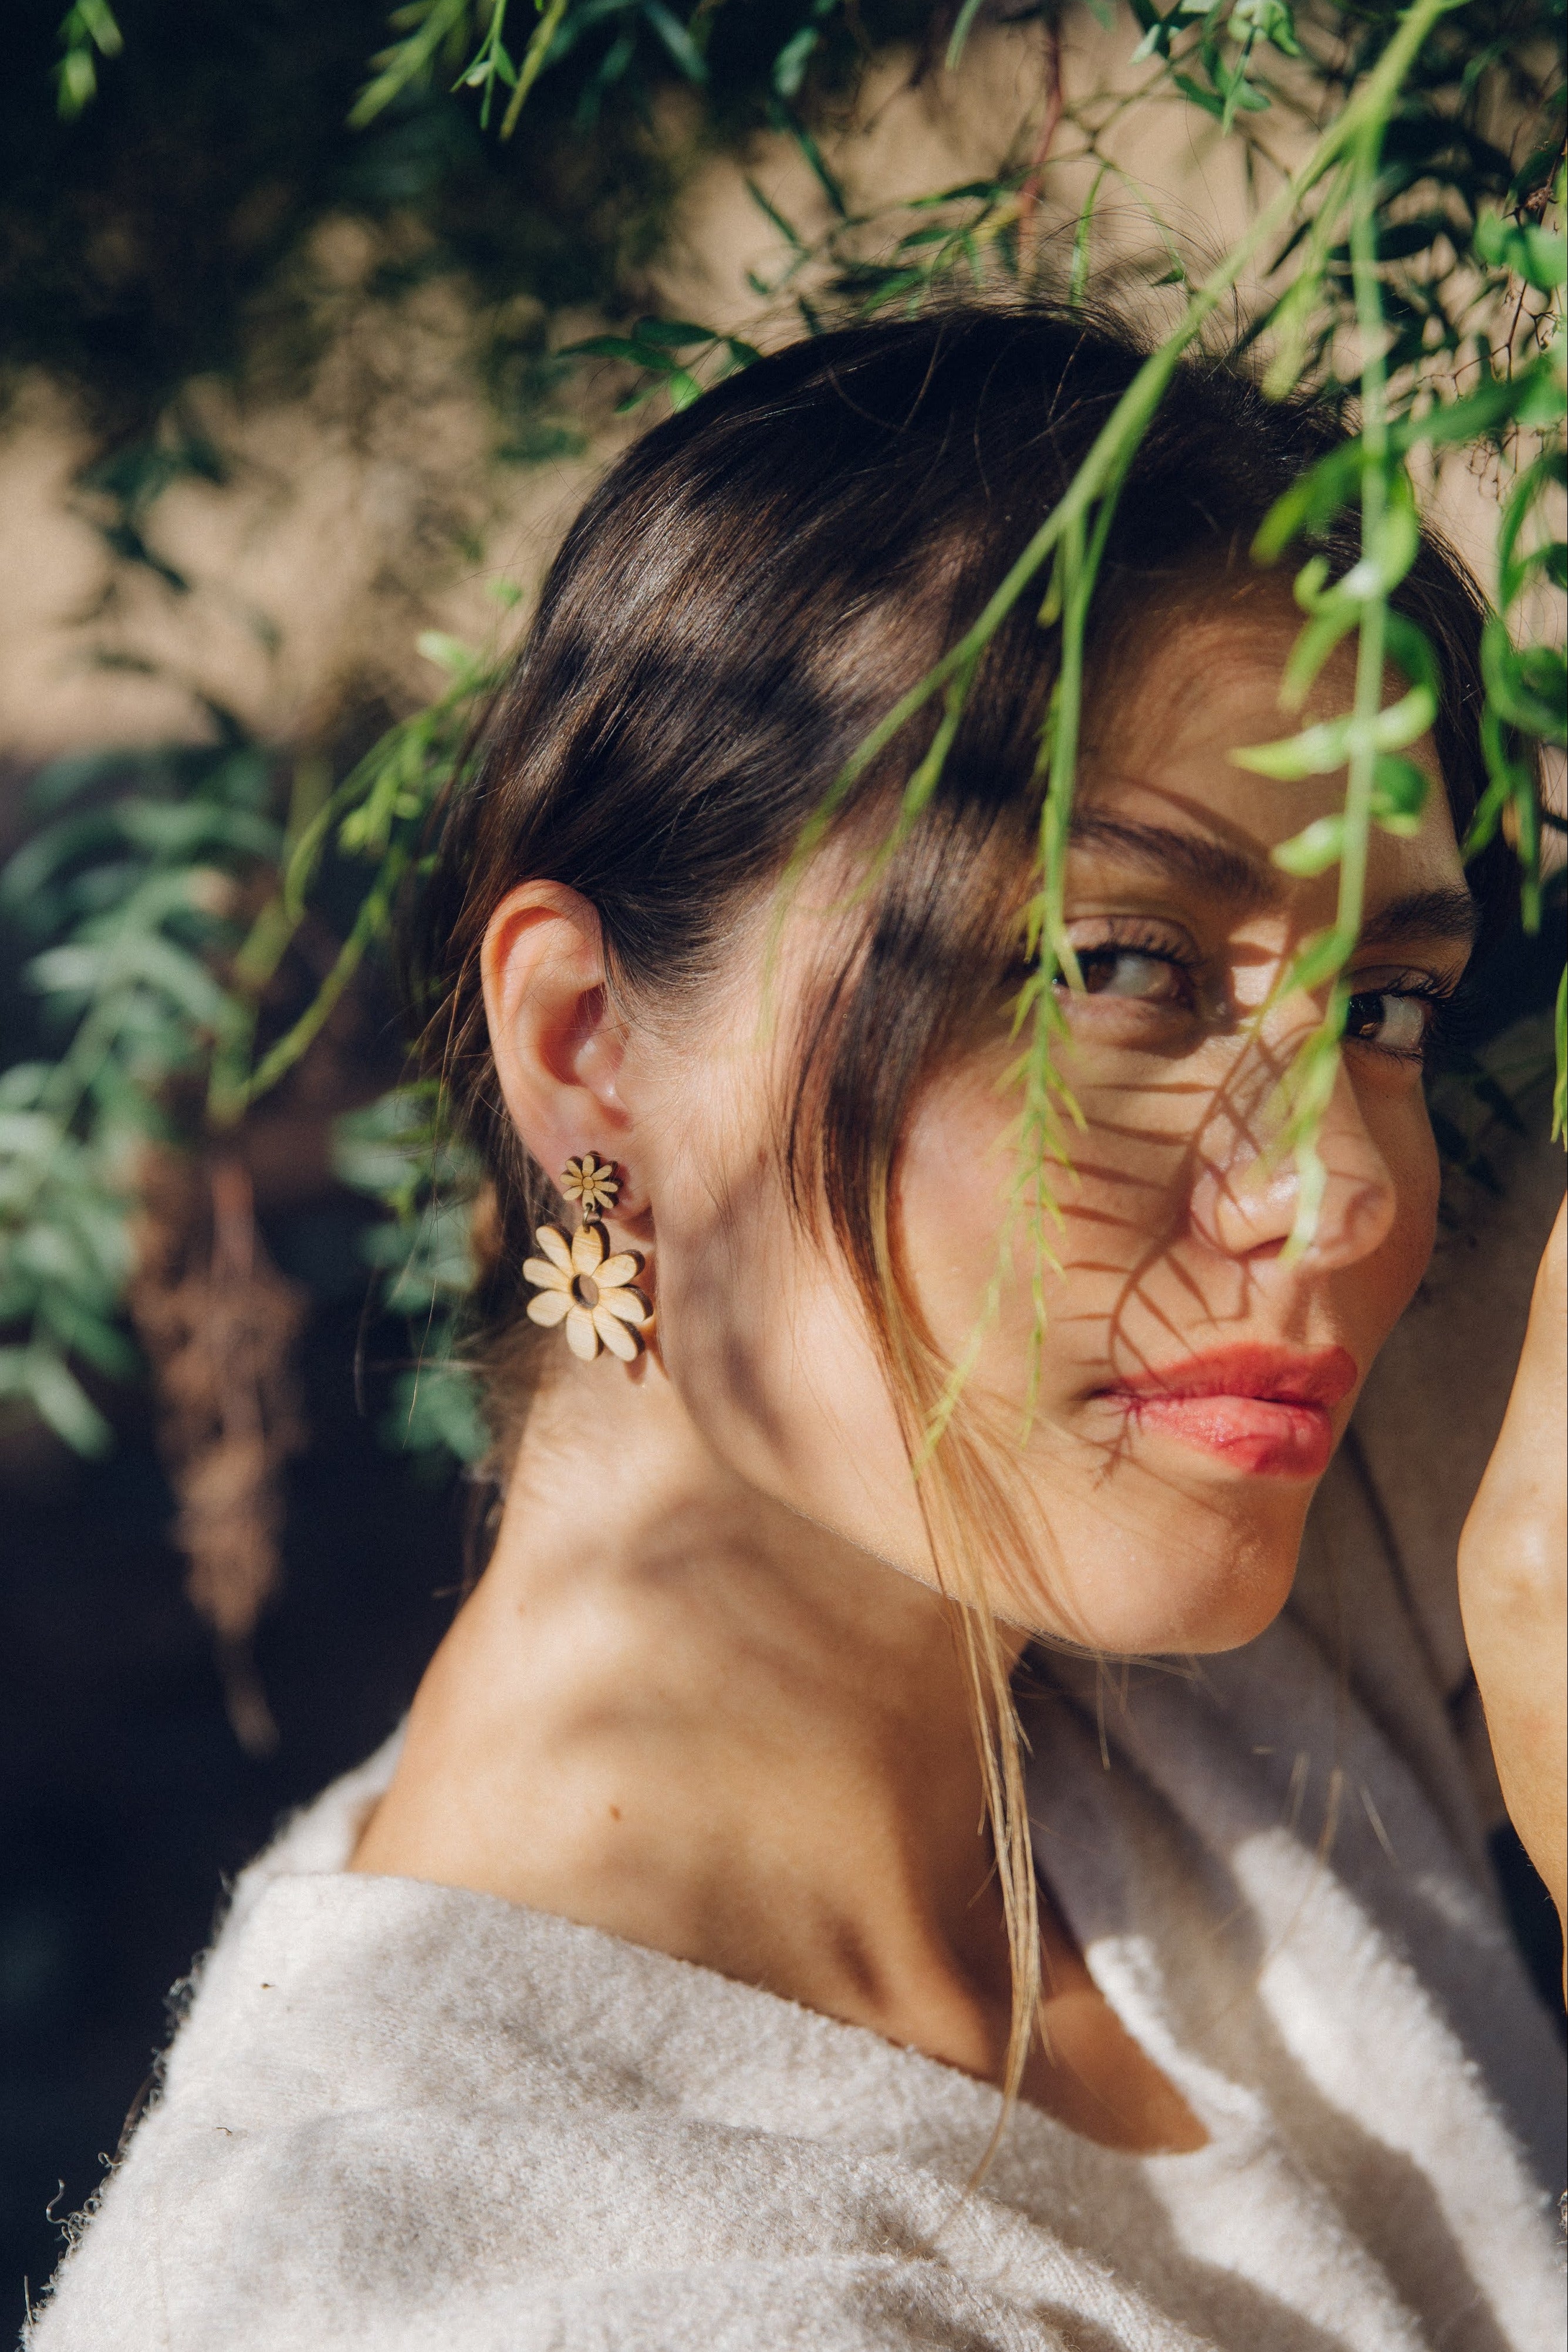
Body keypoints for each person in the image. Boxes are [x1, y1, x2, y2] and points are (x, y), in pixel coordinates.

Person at [29, 306, 1566, 2351]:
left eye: (1381, 1008)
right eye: (1118, 968)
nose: (1347, 1190)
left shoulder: (1216, 1600)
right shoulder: (464, 2290)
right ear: (587, 1056)